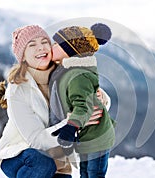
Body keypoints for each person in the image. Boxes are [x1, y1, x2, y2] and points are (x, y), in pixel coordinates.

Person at [0, 25, 109, 178]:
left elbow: (94, 97)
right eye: (32, 45)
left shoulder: (66, 71)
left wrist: (100, 98)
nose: (40, 48)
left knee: (50, 166)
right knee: (42, 165)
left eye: (44, 42)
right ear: (23, 56)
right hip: (20, 154)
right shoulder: (18, 89)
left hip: (58, 162)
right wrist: (72, 123)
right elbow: (36, 140)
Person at [48, 23, 115, 178]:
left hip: (97, 136)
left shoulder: (77, 75)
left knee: (94, 173)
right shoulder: (66, 71)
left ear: (70, 51)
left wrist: (69, 129)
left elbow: (83, 106)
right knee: (85, 173)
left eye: (57, 44)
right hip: (87, 135)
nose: (52, 46)